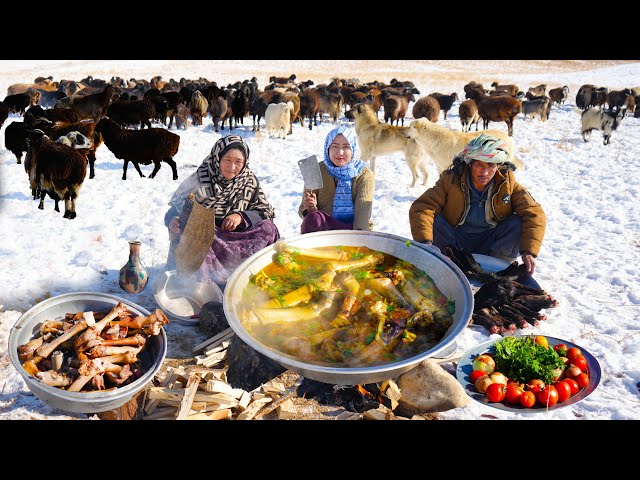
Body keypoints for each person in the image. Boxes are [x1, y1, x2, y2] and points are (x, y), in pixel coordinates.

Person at [408, 134, 545, 274]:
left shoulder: (507, 184)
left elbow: (534, 213)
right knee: (435, 220)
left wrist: (529, 251)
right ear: (470, 163)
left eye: (490, 165)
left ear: (499, 165)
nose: (484, 172)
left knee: (517, 222)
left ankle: (496, 270)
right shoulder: (451, 179)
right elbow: (423, 206)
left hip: (491, 245)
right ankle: (444, 262)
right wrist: (425, 243)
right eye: (479, 164)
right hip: (455, 242)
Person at [164, 134, 280, 285]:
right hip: (208, 238)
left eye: (238, 162)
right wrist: (173, 221)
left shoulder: (249, 180)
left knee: (268, 228)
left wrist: (241, 216)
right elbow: (174, 212)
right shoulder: (200, 178)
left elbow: (264, 211)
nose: (232, 167)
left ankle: (247, 274)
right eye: (227, 160)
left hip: (238, 237)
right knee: (197, 235)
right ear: (217, 158)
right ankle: (209, 283)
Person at [298, 125, 375, 233]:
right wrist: (311, 209)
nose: (340, 152)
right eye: (335, 146)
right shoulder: (316, 169)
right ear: (327, 148)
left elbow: (362, 215)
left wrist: (357, 241)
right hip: (324, 228)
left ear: (353, 149)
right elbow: (303, 210)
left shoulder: (364, 174)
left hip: (354, 229)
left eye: (346, 146)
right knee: (313, 219)